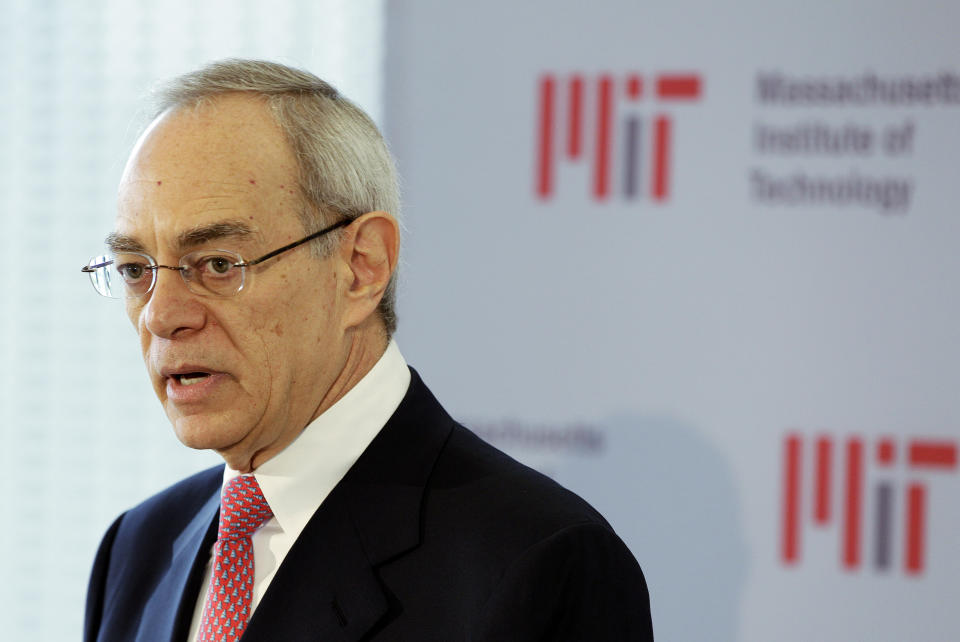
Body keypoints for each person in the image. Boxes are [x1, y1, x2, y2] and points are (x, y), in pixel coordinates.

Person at [82, 59, 653, 642]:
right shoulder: (137, 549)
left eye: (219, 264)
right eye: (134, 269)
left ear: (361, 268)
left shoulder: (538, 564)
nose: (162, 315)